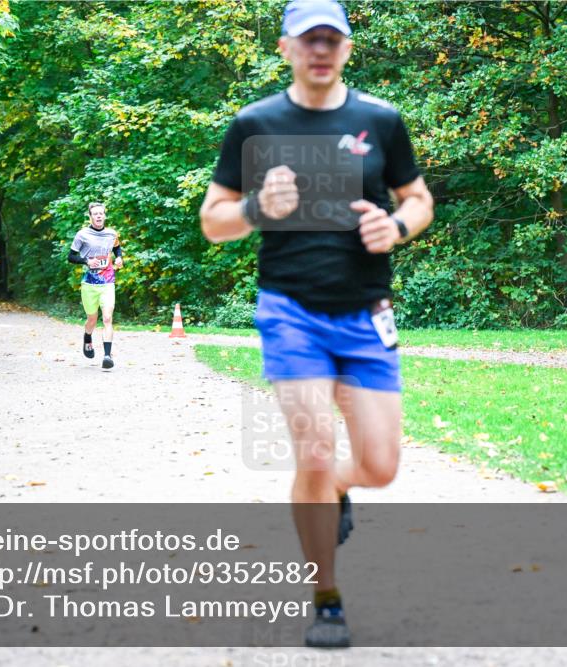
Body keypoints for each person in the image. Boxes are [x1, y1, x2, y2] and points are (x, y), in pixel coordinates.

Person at [199, 0, 433, 649]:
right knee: (314, 448)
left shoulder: (380, 121)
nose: (320, 50)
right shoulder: (255, 124)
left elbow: (418, 197)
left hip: (366, 313)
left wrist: (399, 226)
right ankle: (326, 597)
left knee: (380, 465)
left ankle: (331, 491)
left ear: (348, 49)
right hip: (290, 310)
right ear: (286, 49)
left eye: (332, 39)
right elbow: (213, 221)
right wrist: (254, 206)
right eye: (308, 40)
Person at [67, 201, 123, 369]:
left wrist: (119, 258)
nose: (99, 216)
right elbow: (71, 257)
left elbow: (117, 248)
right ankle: (87, 337)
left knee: (107, 318)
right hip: (89, 283)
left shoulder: (111, 234)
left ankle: (107, 356)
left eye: (101, 213)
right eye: (95, 214)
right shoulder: (82, 234)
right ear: (90, 217)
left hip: (107, 281)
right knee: (92, 318)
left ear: (105, 215)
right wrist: (86, 260)